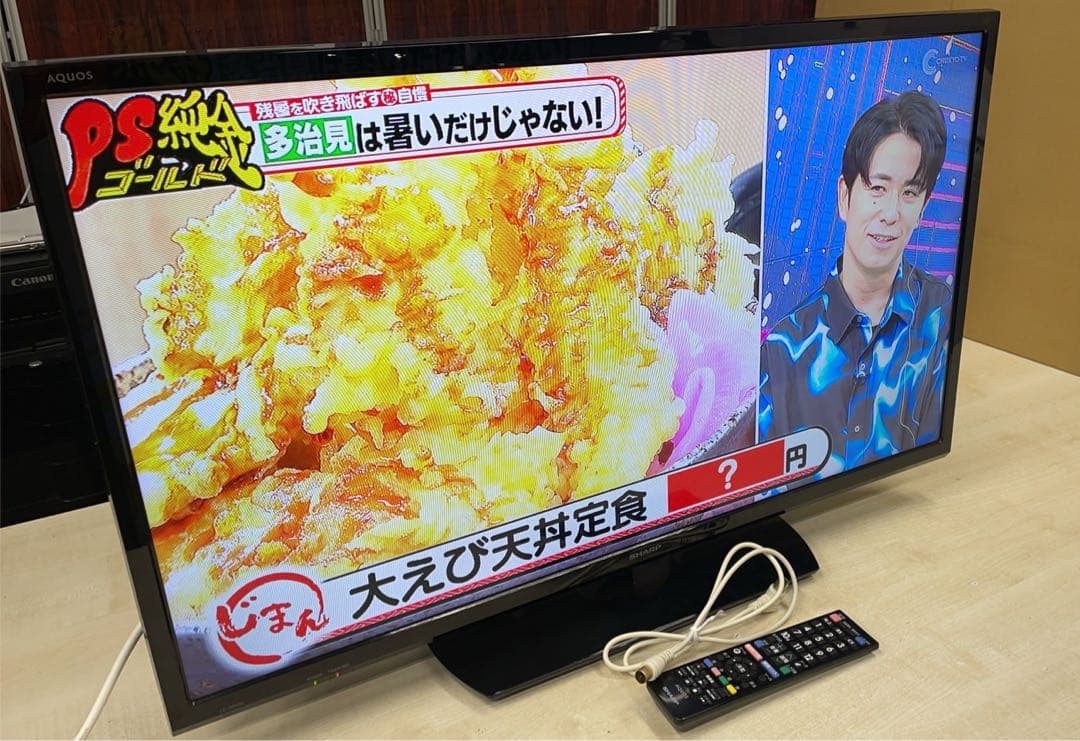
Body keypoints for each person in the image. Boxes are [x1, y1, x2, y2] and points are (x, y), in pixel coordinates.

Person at [759, 91, 952, 472]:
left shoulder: (941, 315)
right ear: (845, 197)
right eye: (877, 188)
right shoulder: (784, 347)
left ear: (922, 209)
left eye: (909, 193)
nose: (891, 213)